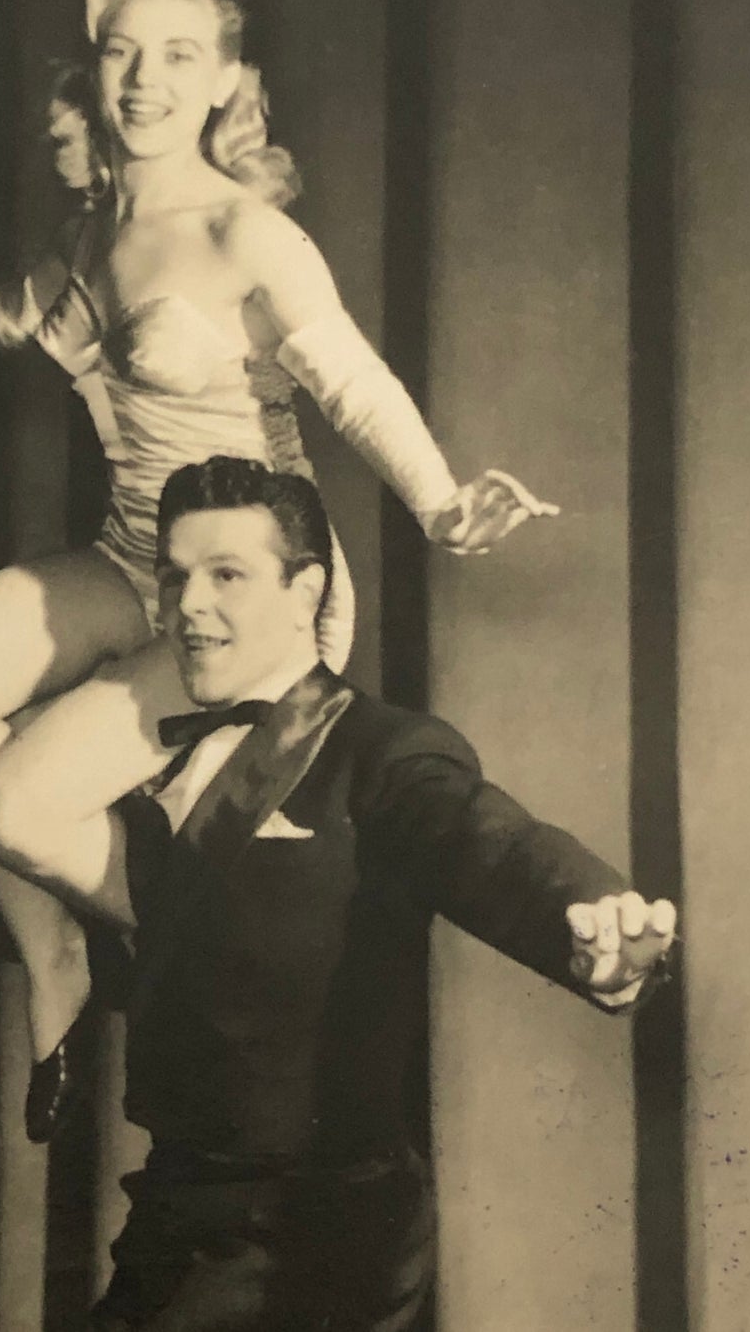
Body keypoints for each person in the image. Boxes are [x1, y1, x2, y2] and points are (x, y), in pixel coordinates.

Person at [0, 0, 559, 1140]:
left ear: (222, 86)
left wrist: (442, 502)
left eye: (179, 55)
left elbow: (351, 385)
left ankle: (188, 948)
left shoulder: (245, 230)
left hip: (255, 583)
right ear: (94, 70)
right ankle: (56, 955)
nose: (146, 79)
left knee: (21, 807)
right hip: (132, 554)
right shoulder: (90, 231)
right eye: (122, 52)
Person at [67, 456, 676, 1331]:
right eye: (175, 576)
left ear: (304, 588)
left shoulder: (384, 750)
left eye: (226, 575)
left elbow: (484, 840)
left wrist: (590, 919)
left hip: (312, 1232)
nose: (187, 605)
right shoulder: (147, 754)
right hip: (179, 1203)